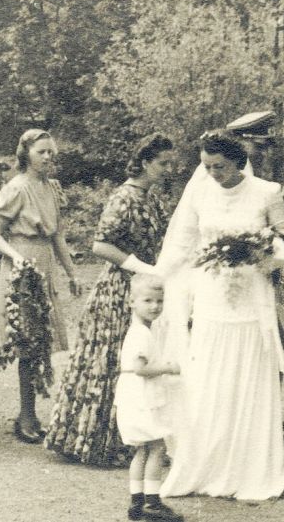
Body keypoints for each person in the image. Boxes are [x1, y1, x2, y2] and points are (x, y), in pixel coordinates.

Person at [158, 132, 284, 501]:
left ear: (238, 162)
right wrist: (160, 278)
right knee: (207, 380)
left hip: (252, 295)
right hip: (212, 298)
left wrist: (269, 256)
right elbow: (183, 245)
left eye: (220, 166)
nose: (213, 173)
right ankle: (205, 465)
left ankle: (248, 469)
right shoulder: (200, 192)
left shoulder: (266, 191)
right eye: (206, 166)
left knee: (247, 375)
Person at [45, 133, 174, 463]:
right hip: (120, 291)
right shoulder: (124, 197)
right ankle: (103, 443)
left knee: (139, 360)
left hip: (145, 289)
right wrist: (141, 267)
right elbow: (100, 245)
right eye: (163, 163)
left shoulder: (152, 198)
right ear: (145, 162)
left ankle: (138, 440)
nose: (168, 169)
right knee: (114, 361)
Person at [0, 129, 81, 444]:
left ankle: (33, 413)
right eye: (41, 151)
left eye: (51, 152)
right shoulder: (16, 188)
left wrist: (71, 273)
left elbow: (57, 236)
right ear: (26, 153)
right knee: (27, 343)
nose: (47, 157)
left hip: (45, 264)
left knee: (43, 341)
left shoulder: (51, 188)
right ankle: (26, 415)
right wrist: (17, 259)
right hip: (22, 266)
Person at [227, 111, 284, 437]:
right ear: (242, 143)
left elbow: (280, 225)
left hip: (263, 274)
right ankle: (248, 416)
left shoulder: (260, 177)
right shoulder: (223, 178)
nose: (263, 152)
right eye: (258, 145)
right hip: (232, 282)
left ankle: (265, 412)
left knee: (273, 343)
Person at [116, 274, 182, 522]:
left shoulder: (140, 330)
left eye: (159, 301)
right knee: (157, 446)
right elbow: (141, 368)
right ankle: (152, 503)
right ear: (132, 302)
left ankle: (137, 501)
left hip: (133, 396)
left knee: (142, 450)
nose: (155, 306)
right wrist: (167, 367)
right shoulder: (141, 334)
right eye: (148, 301)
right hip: (141, 398)